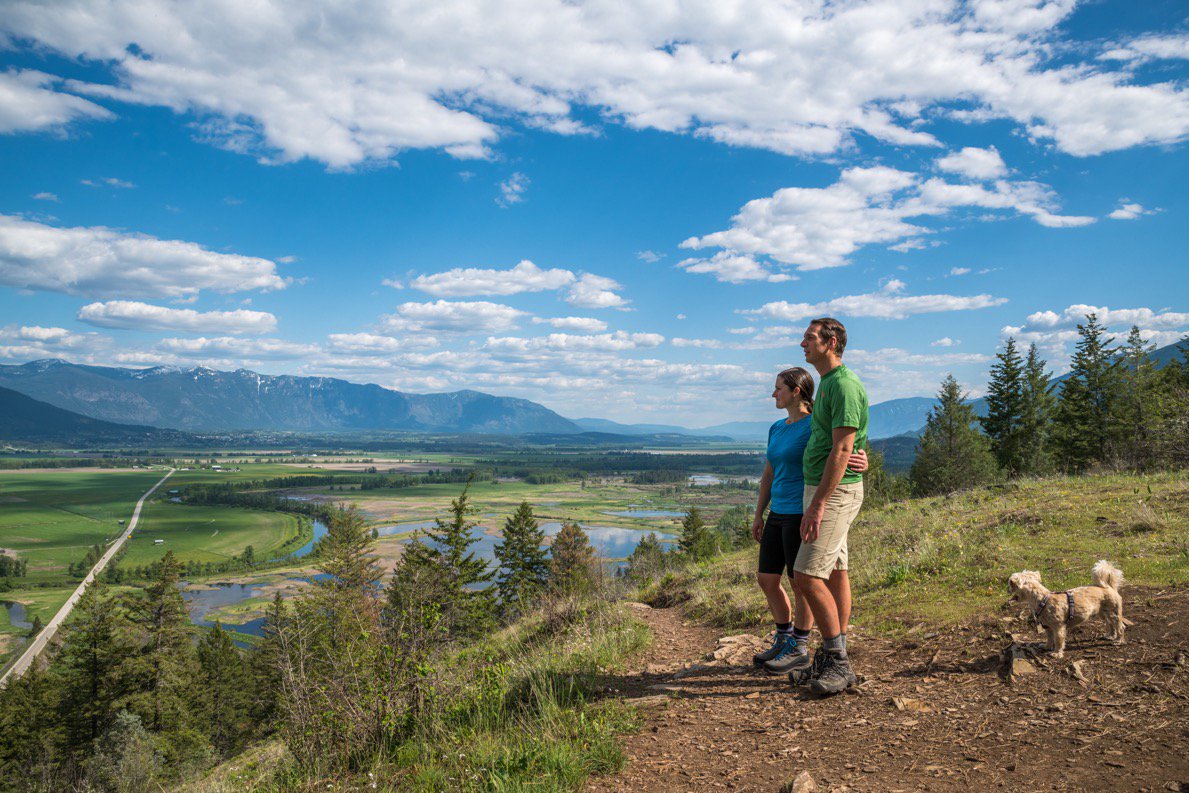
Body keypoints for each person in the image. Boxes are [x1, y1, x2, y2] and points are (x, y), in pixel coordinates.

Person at [751, 366, 867, 677]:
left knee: (800, 581)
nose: (774, 394)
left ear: (796, 392)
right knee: (766, 578)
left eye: (779, 388)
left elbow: (841, 450)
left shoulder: (813, 426)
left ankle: (799, 645)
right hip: (778, 511)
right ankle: (784, 636)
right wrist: (759, 512)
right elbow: (768, 474)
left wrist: (861, 458)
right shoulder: (777, 428)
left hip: (802, 510)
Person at [792, 317, 869, 695]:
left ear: (831, 341)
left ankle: (838, 662)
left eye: (808, 338)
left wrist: (818, 504)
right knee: (836, 571)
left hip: (834, 494)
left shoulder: (845, 385)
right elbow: (844, 443)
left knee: (806, 574)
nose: (801, 344)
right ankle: (830, 653)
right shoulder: (828, 384)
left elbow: (843, 447)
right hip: (824, 488)